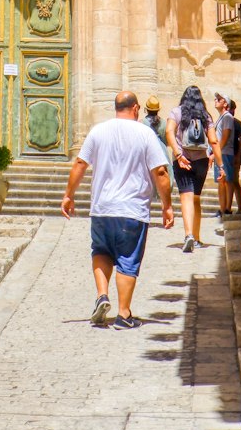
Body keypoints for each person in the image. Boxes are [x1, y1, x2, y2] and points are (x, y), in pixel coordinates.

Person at [62, 90, 175, 329]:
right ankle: (124, 314)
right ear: (135, 109)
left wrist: (68, 195)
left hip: (102, 208)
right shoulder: (145, 134)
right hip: (132, 209)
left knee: (101, 251)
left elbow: (80, 163)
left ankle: (102, 295)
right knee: (127, 259)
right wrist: (167, 206)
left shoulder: (98, 131)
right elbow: (161, 172)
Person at [166, 84, 223, 252]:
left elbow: (169, 132)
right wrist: (221, 166)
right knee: (196, 198)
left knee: (186, 197)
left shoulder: (176, 112)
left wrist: (178, 154)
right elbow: (213, 141)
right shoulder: (206, 116)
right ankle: (197, 238)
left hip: (182, 159)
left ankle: (188, 234)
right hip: (201, 162)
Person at [211, 92, 235, 234]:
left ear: (225, 103)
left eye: (219, 99)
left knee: (225, 181)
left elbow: (225, 136)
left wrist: (215, 153)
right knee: (221, 182)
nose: (216, 100)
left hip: (224, 153)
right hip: (221, 153)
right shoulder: (220, 118)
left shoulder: (227, 117)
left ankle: (226, 209)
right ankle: (222, 209)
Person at [143, 95, 173, 174]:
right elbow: (166, 142)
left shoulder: (142, 122)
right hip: (162, 152)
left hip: (147, 153)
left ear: (146, 109)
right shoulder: (164, 123)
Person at [229, 100, 241, 215]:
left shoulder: (237, 123)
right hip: (226, 156)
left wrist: (238, 156)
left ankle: (239, 208)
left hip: (234, 157)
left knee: (234, 182)